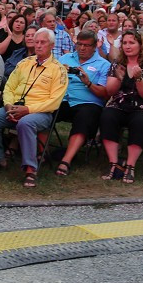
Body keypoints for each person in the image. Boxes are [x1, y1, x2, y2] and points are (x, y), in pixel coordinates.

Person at [0, 28, 68, 188]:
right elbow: (9, 87)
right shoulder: (24, 63)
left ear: (51, 45)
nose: (39, 45)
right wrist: (8, 106)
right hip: (15, 107)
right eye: (37, 42)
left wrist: (27, 110)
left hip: (40, 113)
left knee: (25, 123)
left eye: (43, 42)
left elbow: (54, 102)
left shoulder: (59, 69)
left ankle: (30, 169)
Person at [99, 31, 143, 184]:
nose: (127, 46)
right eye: (125, 43)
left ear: (141, 45)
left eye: (131, 43)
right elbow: (110, 91)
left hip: (142, 107)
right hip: (119, 105)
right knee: (107, 115)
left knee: (141, 121)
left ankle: (130, 166)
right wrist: (120, 78)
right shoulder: (117, 64)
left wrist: (139, 78)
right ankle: (114, 164)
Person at [53, 30, 110, 176]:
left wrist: (88, 83)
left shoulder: (104, 65)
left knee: (85, 117)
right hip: (64, 99)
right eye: (79, 44)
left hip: (88, 102)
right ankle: (42, 153)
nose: (82, 48)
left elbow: (104, 94)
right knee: (45, 112)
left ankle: (66, 160)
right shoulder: (65, 58)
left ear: (95, 46)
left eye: (86, 45)